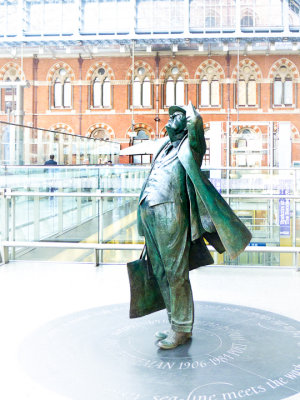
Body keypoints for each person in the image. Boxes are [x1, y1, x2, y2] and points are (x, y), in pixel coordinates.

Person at [133, 102, 252, 350]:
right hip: (149, 214)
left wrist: (191, 114)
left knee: (175, 271)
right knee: (159, 271)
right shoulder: (164, 147)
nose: (171, 118)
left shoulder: (192, 147)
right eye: (171, 115)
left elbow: (196, 126)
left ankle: (182, 328)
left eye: (177, 116)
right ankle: (173, 323)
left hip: (171, 213)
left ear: (185, 124)